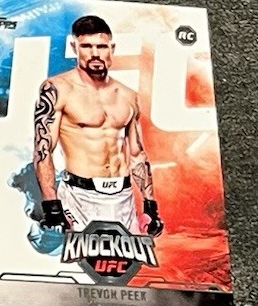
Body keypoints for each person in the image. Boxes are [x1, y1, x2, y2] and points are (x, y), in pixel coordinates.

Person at [32, 14, 162, 237]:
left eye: (101, 46)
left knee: (126, 258)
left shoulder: (128, 96)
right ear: (74, 47)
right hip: (79, 197)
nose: (94, 53)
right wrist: (51, 205)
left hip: (123, 196)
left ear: (112, 48)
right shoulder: (58, 89)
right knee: (81, 259)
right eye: (86, 46)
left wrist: (150, 204)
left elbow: (136, 153)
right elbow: (43, 150)